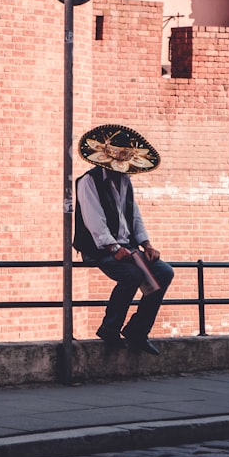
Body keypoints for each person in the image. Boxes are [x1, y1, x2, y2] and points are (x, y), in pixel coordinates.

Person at [73, 124, 174, 355]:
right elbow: (93, 219)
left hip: (127, 247)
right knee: (133, 275)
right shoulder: (88, 181)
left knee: (164, 272)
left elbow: (134, 215)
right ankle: (110, 328)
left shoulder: (126, 181)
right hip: (98, 248)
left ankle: (137, 331)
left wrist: (146, 243)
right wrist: (113, 246)